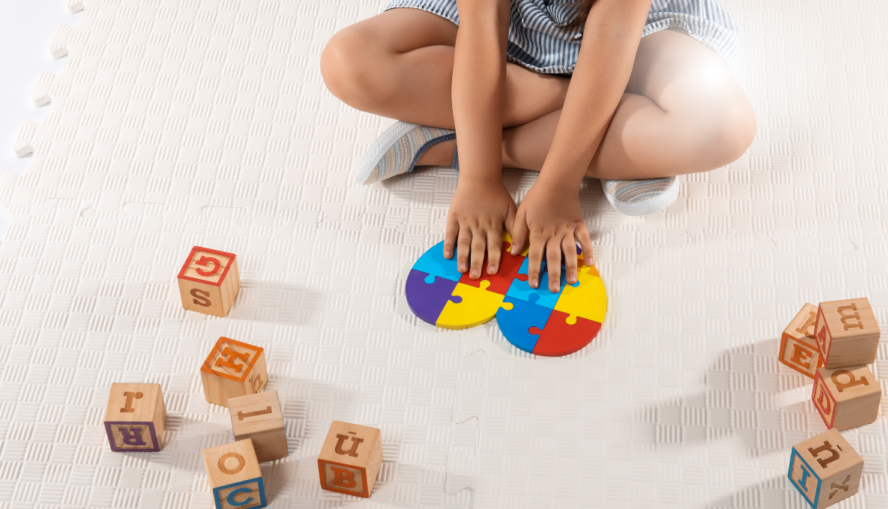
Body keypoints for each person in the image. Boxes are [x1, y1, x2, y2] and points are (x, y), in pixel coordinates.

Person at [321, 0, 756, 294]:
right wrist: (478, 175)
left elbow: (614, 31)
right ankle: (622, 137)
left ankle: (451, 143)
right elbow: (483, 20)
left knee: (724, 126)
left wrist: (557, 186)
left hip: (631, 33)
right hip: (510, 21)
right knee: (351, 62)